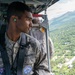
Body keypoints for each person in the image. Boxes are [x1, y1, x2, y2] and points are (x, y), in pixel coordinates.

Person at [0, 1, 51, 75]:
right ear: (14, 19)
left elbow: (44, 69)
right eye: (28, 19)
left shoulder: (34, 44)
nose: (31, 24)